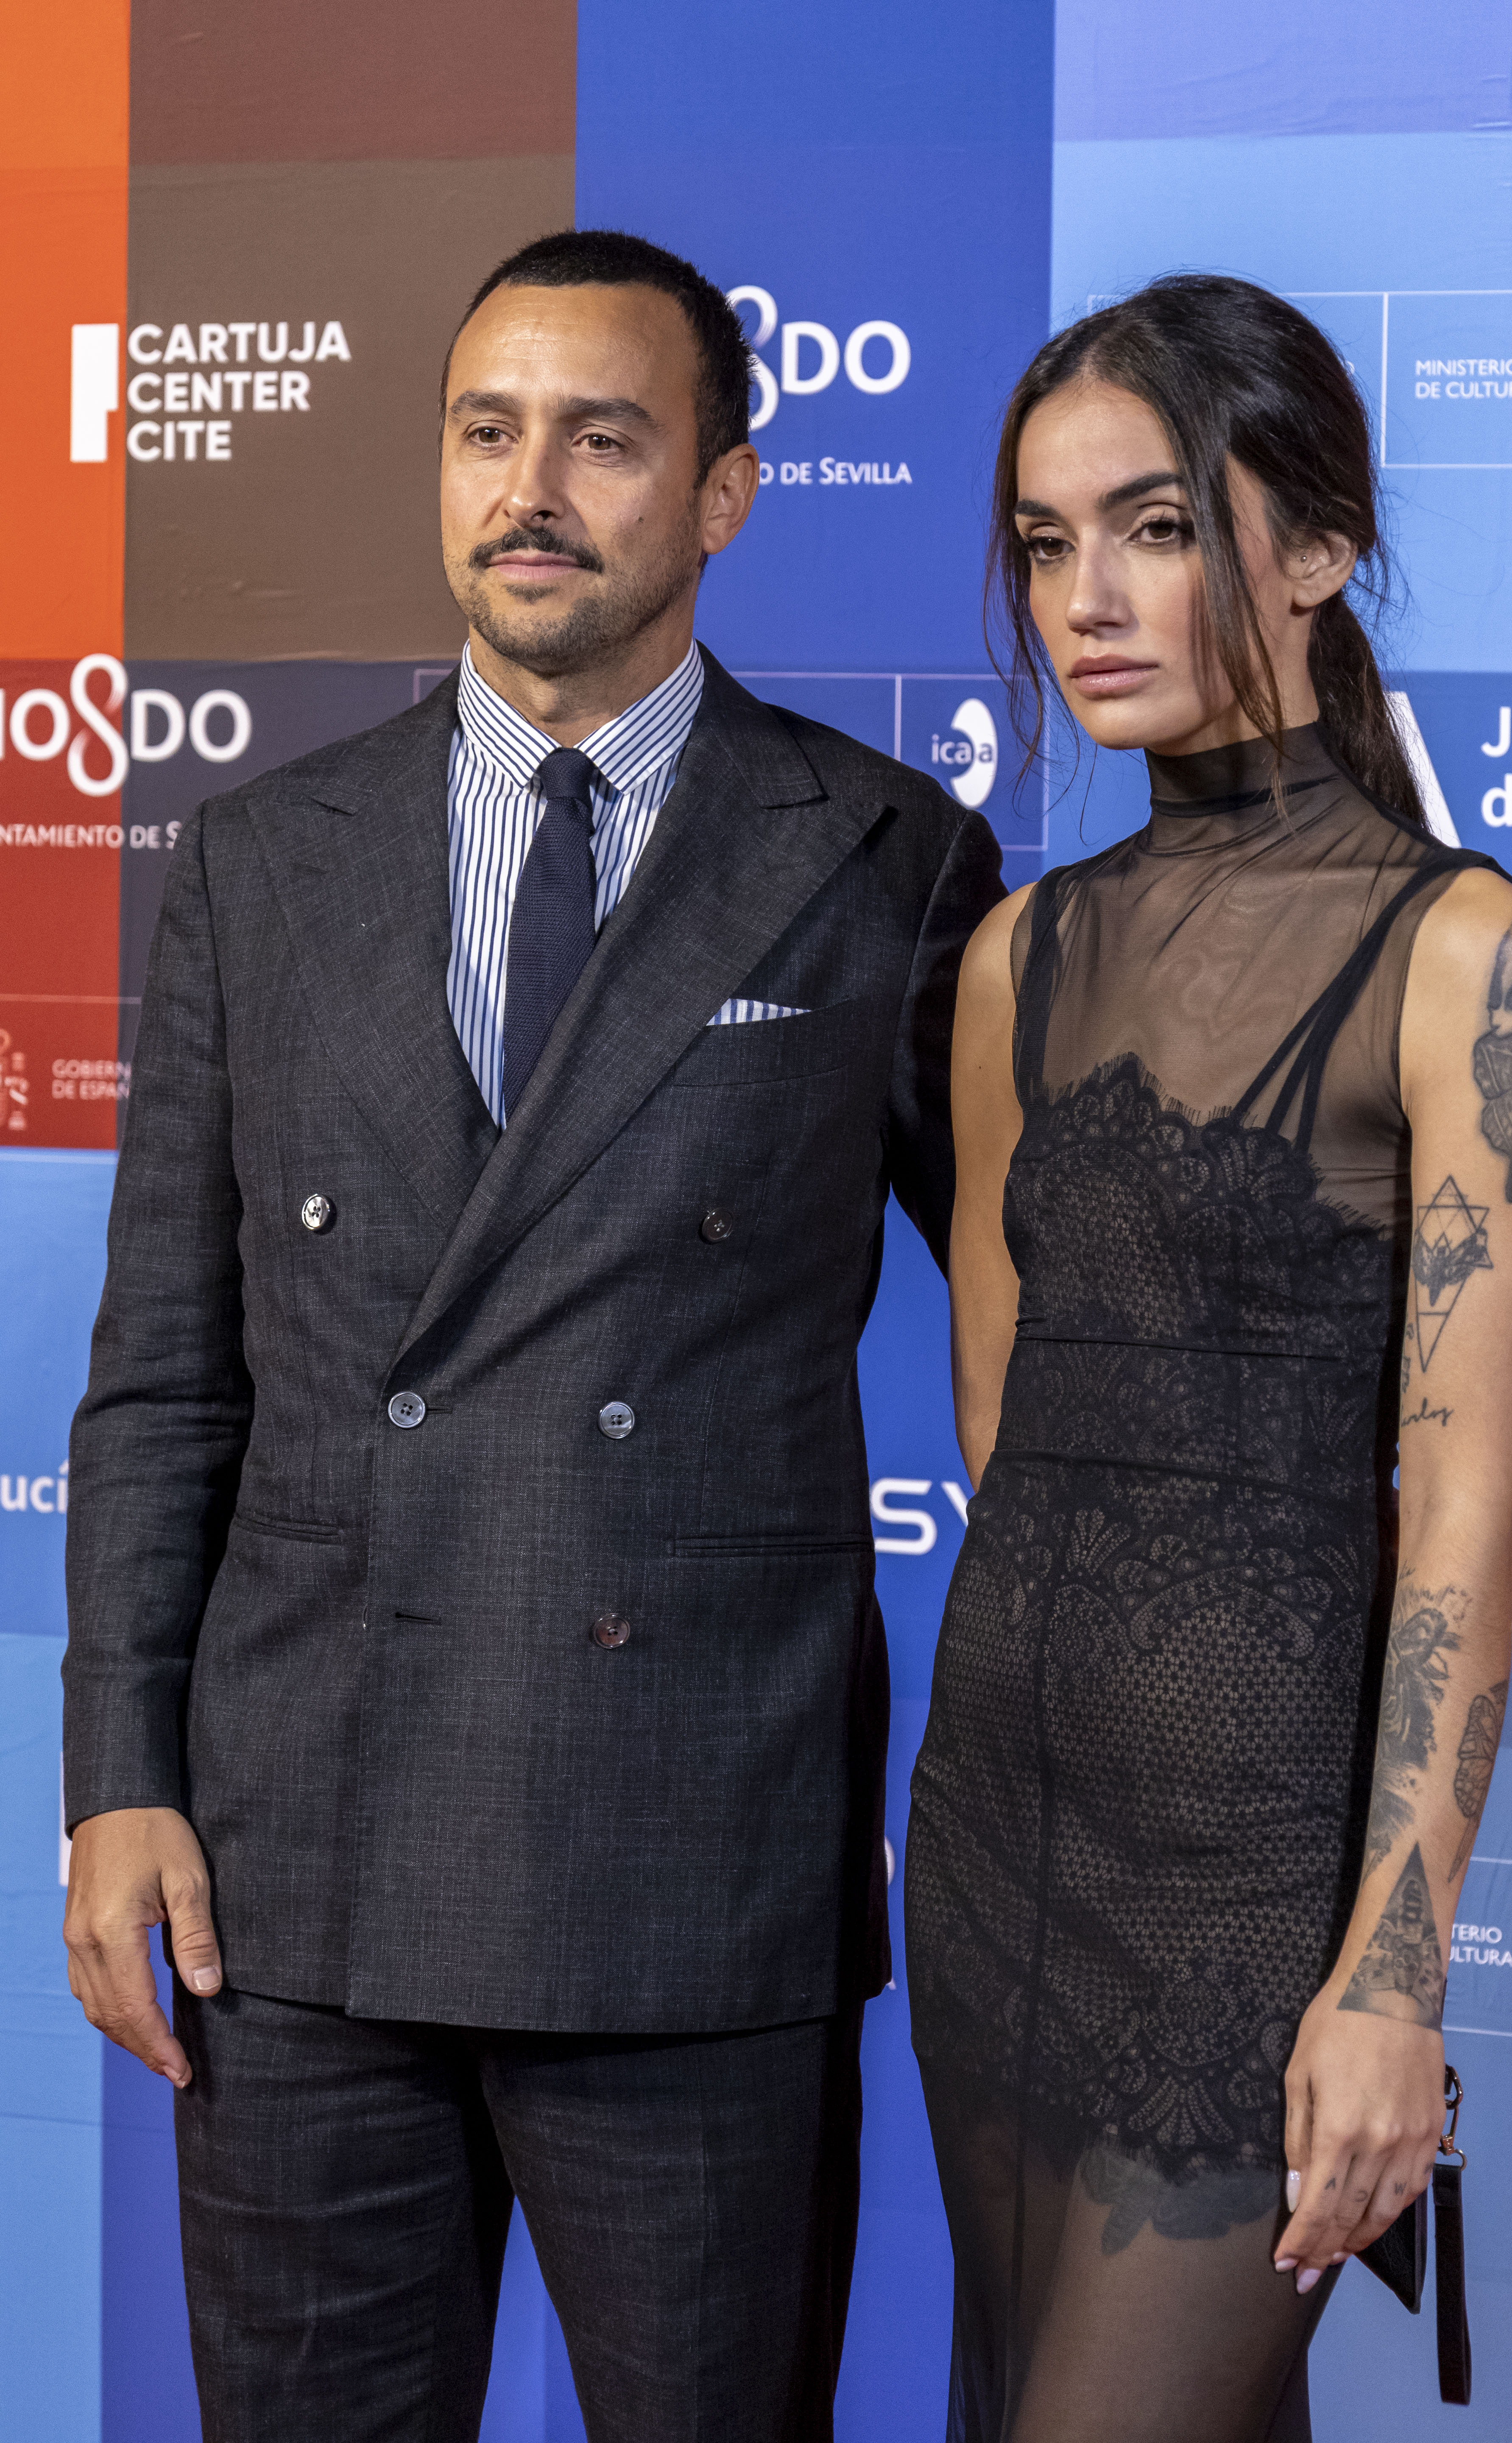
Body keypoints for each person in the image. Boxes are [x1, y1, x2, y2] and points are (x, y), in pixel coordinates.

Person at [61, 227, 1004, 2443]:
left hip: (701, 1870)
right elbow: (165, 1378)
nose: (532, 489)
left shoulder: (885, 858)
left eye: (604, 438)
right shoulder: (259, 861)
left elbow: (1035, 1351)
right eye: (488, 431)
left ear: (727, 491)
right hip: (300, 1876)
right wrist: (118, 1780)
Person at [904, 274, 1512, 2443]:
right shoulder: (1023, 954)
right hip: (994, 1839)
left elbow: (1461, 1523)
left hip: (1253, 1884)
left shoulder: (1466, 956)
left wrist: (1392, 1972)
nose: (1086, 600)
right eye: (1046, 543)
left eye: (1159, 526)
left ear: (1317, 547)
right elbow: (1002, 1424)